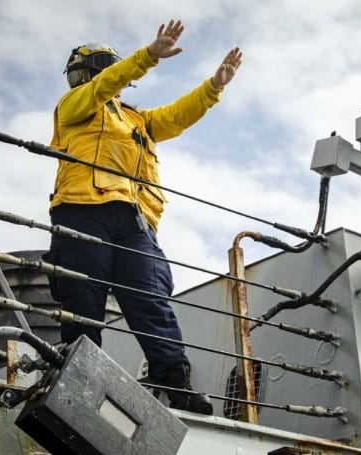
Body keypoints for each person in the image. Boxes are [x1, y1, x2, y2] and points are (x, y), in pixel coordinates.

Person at [44, 19, 242, 415]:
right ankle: (79, 382)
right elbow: (102, 88)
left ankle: (176, 382)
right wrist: (148, 56)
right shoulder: (74, 106)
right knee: (83, 299)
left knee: (151, 300)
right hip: (83, 212)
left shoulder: (138, 121)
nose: (84, 80)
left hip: (134, 223)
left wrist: (213, 87)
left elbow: (174, 117)